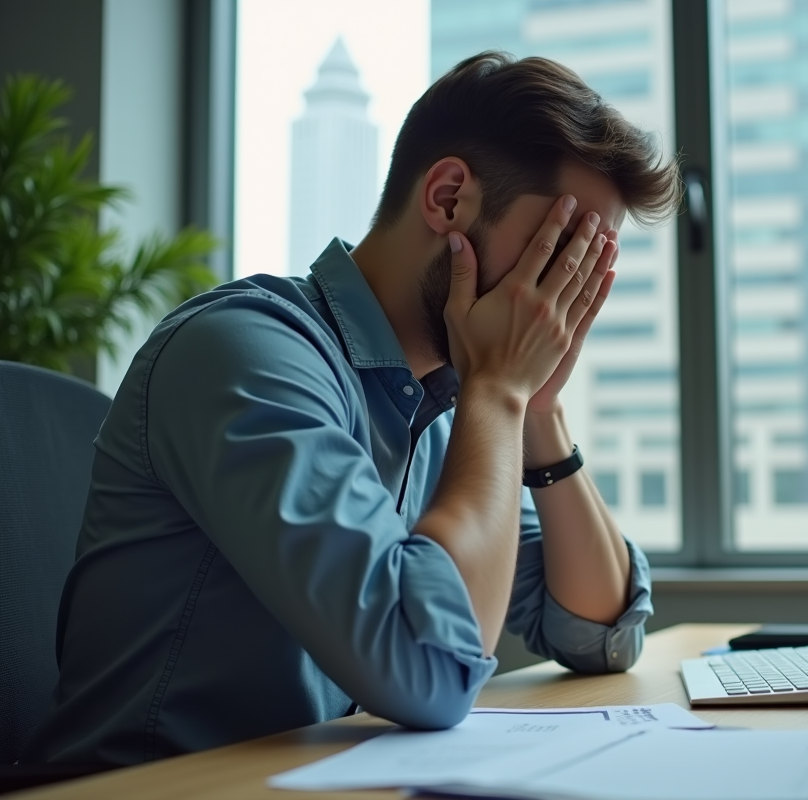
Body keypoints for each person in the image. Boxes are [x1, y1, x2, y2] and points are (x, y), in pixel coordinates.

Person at [23, 51, 681, 766]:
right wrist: (499, 394)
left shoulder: (451, 408)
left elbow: (597, 632)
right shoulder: (246, 354)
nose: (560, 300)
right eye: (556, 252)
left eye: (589, 266)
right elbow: (428, 673)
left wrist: (539, 409)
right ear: (449, 199)